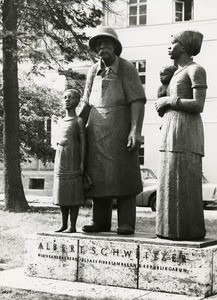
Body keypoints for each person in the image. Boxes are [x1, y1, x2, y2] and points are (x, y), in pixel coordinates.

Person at [79, 27, 146, 235]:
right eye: (98, 45)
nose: (101, 47)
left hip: (120, 128)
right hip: (96, 132)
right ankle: (100, 221)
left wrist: (135, 130)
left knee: (124, 175)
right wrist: (72, 125)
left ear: (115, 46)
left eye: (106, 43)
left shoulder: (126, 68)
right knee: (98, 178)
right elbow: (85, 102)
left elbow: (137, 101)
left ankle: (126, 222)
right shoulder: (92, 71)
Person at [155, 30, 207, 240]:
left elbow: (198, 104)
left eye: (173, 42)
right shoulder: (175, 73)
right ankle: (167, 229)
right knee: (168, 178)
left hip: (186, 131)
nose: (169, 46)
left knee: (184, 178)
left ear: (183, 47)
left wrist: (169, 102)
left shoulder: (196, 70)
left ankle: (188, 230)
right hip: (170, 129)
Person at [53, 89, 86, 233]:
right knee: (62, 192)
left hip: (73, 156)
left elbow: (84, 142)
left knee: (73, 193)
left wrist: (82, 162)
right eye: (64, 97)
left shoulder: (78, 121)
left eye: (70, 97)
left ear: (77, 101)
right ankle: (63, 224)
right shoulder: (61, 121)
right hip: (61, 158)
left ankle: (72, 225)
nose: (67, 100)